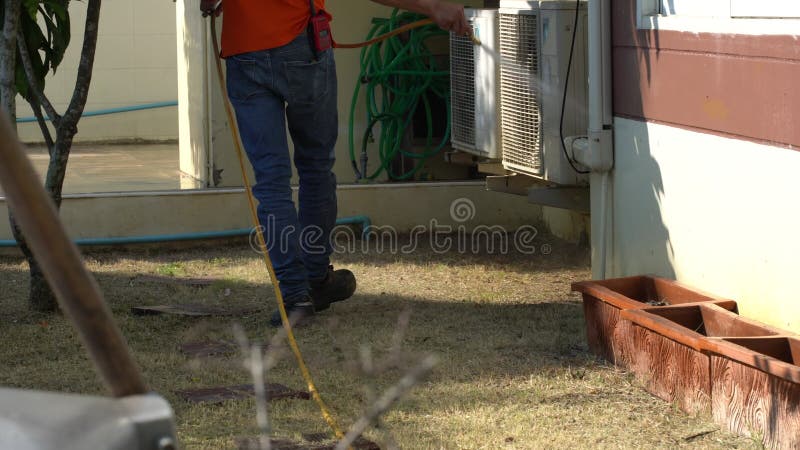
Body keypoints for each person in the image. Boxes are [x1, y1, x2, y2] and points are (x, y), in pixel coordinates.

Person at [200, 0, 469, 326]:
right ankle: (314, 279)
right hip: (302, 48)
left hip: (246, 52)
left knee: (271, 181)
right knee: (315, 168)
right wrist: (433, 7)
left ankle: (296, 297)